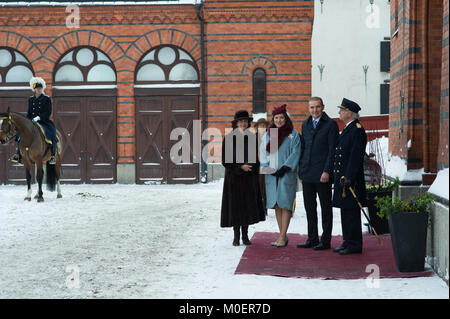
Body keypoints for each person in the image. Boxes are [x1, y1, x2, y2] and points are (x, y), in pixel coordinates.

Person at [297, 97, 339, 250]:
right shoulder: (305, 124)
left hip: (322, 174)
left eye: (317, 107)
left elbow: (332, 150)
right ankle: (312, 238)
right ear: (308, 109)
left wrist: (327, 170)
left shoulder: (331, 124)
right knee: (310, 208)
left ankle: (325, 240)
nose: (315, 110)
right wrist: (301, 170)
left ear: (323, 107)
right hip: (307, 173)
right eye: (312, 107)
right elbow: (303, 148)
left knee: (325, 208)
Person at [221, 110, 266, 246]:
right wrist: (240, 167)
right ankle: (236, 236)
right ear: (236, 123)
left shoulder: (253, 138)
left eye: (245, 121)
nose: (243, 123)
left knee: (246, 207)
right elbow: (225, 160)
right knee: (235, 207)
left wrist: (250, 166)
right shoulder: (229, 138)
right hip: (234, 178)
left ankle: (245, 236)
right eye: (240, 121)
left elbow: (258, 157)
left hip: (249, 178)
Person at [260, 104, 301, 247]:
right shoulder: (268, 134)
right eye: (276, 117)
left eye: (281, 117)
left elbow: (296, 152)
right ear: (273, 119)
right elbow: (263, 154)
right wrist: (268, 168)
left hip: (286, 173)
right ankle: (282, 234)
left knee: (286, 204)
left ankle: (283, 236)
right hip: (272, 175)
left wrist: (285, 168)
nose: (279, 120)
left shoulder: (293, 134)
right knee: (277, 205)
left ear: (286, 118)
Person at [332, 98, 367, 255]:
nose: (339, 112)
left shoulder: (357, 129)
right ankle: (348, 241)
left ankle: (354, 244)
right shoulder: (348, 128)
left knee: (352, 211)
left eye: (342, 110)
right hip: (343, 178)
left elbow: (355, 156)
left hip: (350, 180)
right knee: (345, 211)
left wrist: (349, 177)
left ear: (350, 113)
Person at [11, 77, 57, 165]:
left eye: (40, 89)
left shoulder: (46, 99)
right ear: (34, 89)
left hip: (43, 121)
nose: (38, 90)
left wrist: (39, 117)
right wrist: (27, 120)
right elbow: (29, 112)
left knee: (52, 133)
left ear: (42, 89)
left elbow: (48, 112)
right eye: (37, 89)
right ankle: (17, 154)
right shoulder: (31, 99)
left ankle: (53, 156)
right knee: (20, 133)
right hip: (31, 121)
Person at [254, 118, 270, 215]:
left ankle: (264, 208)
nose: (262, 127)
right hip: (256, 166)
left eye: (264, 126)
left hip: (266, 166)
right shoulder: (253, 137)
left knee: (265, 188)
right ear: (257, 127)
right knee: (256, 187)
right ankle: (256, 207)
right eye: (260, 126)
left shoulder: (270, 137)